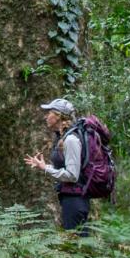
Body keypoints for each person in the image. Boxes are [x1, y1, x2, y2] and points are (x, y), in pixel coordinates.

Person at [25, 97, 90, 232]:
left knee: (76, 246)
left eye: (49, 113)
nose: (45, 117)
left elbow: (72, 175)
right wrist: (43, 166)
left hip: (75, 201)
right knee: (76, 244)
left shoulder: (71, 140)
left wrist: (45, 168)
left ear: (58, 116)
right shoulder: (63, 138)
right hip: (70, 199)